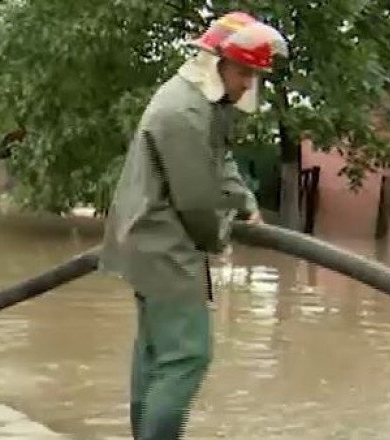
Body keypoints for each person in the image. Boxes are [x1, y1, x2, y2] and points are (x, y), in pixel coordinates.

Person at [99, 12, 288, 439]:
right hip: (161, 240)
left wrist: (245, 202)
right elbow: (196, 202)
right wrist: (220, 238)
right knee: (187, 356)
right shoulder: (185, 111)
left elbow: (219, 159)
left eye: (254, 76)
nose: (247, 85)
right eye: (244, 72)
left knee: (157, 355)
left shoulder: (206, 102)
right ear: (216, 62)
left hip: (150, 237)